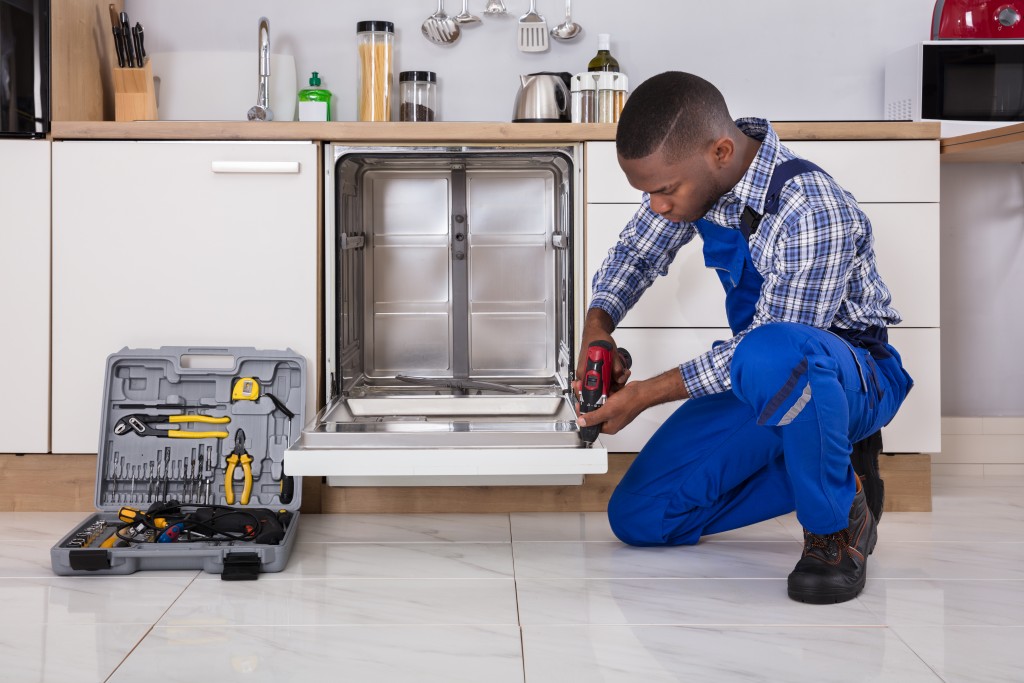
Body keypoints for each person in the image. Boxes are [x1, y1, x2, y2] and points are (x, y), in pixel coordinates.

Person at [575, 71, 914, 604]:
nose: (657, 206)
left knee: (773, 350)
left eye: (663, 191)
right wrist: (598, 327)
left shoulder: (811, 208)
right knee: (641, 517)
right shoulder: (702, 182)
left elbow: (783, 342)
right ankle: (837, 469)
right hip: (761, 377)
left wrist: (644, 394)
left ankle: (833, 528)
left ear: (721, 151)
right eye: (648, 193)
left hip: (850, 375)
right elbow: (635, 254)